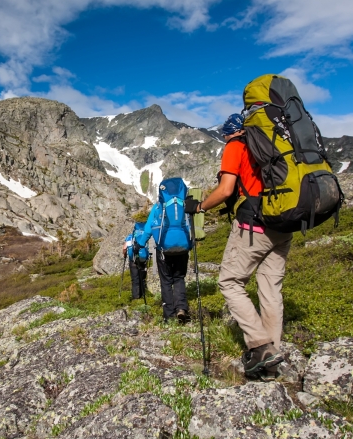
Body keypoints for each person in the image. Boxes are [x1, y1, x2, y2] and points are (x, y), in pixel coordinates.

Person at [185, 113, 292, 378]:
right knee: (270, 289)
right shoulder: (273, 143)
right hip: (283, 222)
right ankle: (271, 355)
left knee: (230, 282)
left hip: (253, 226)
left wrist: (198, 206)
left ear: (230, 133)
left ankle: (260, 345)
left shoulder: (236, 145)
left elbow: (225, 189)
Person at [136, 178, 191, 324]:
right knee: (179, 277)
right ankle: (181, 308)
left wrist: (140, 245)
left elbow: (147, 229)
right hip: (183, 248)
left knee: (166, 281)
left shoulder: (158, 206)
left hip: (163, 250)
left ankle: (169, 315)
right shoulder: (183, 204)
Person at [123, 230, 147, 300]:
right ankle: (143, 295)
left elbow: (124, 248)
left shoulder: (129, 237)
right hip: (142, 260)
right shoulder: (143, 235)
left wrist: (124, 255)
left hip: (133, 261)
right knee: (142, 278)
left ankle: (136, 297)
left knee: (135, 279)